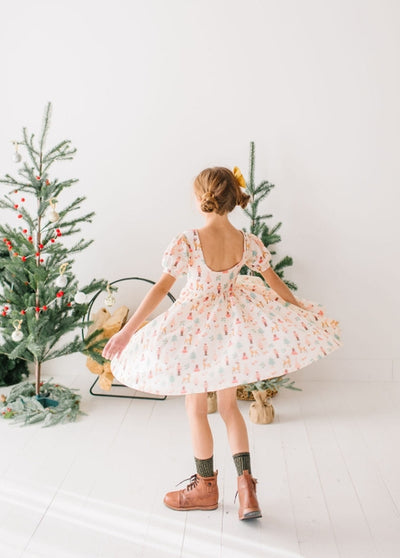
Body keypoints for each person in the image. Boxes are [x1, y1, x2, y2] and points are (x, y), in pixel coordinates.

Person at [102, 166, 341, 520]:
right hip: (231, 328)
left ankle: (205, 488)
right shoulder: (246, 241)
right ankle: (247, 492)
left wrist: (127, 331)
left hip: (194, 330)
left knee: (196, 409)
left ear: (202, 199)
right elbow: (272, 281)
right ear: (232, 199)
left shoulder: (188, 241)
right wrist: (300, 309)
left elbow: (161, 289)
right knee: (229, 409)